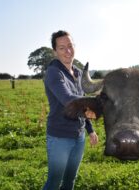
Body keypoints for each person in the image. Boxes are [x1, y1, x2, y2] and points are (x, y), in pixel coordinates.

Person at [43, 30, 98, 190]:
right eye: (62, 48)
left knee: (70, 180)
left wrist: (90, 129)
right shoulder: (54, 73)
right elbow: (68, 100)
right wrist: (99, 104)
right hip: (59, 137)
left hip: (78, 136)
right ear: (55, 51)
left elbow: (83, 103)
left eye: (70, 46)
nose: (68, 51)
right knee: (54, 181)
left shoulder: (79, 73)